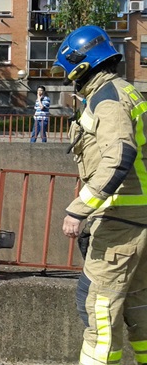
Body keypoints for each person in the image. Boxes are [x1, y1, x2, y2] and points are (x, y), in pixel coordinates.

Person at [54, 25, 147, 365]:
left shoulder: (106, 98)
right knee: (139, 306)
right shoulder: (127, 92)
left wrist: (80, 208)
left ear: (79, 66)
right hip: (138, 220)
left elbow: (119, 154)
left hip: (120, 223)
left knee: (99, 311)